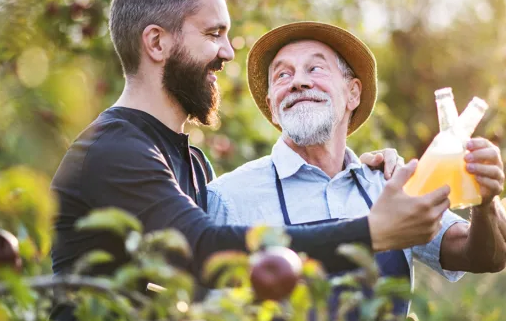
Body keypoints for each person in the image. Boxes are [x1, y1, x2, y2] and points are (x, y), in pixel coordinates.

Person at [50, 1, 456, 319]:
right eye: (213, 34)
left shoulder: (190, 161)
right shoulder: (114, 149)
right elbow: (205, 249)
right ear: (156, 43)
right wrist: (372, 232)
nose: (228, 52)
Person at [206, 22, 506, 318]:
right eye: (282, 75)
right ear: (272, 105)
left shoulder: (390, 184)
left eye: (315, 68)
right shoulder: (229, 198)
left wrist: (485, 200)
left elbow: (485, 257)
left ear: (352, 93)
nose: (298, 81)